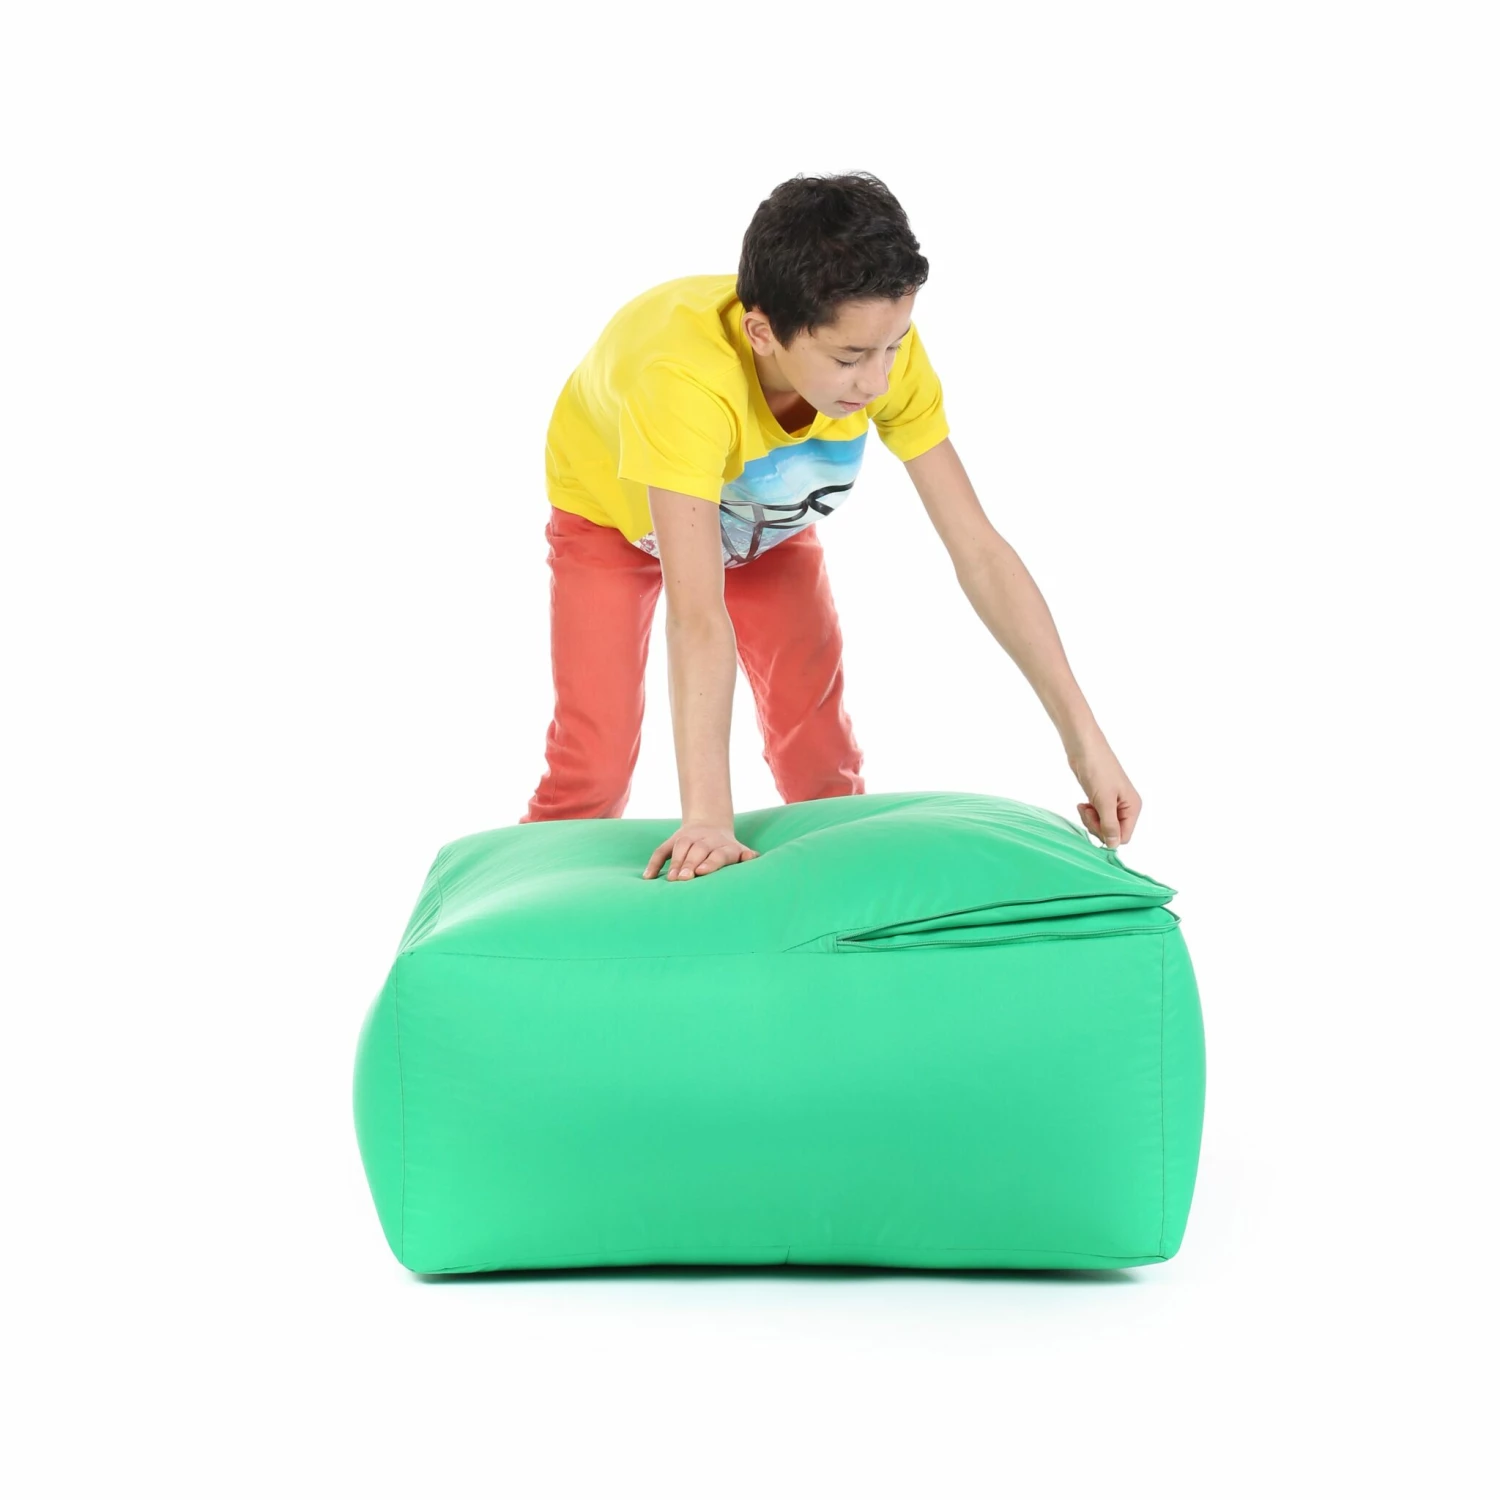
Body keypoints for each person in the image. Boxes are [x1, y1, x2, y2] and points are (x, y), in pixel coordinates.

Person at [521, 170, 1141, 881]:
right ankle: (514, 915)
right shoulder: (682, 383)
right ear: (762, 334)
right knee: (594, 763)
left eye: (893, 347)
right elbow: (697, 616)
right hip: (613, 515)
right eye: (850, 359)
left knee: (820, 755)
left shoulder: (874, 342)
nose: (877, 382)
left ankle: (841, 916)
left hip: (759, 525)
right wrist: (709, 819)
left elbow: (979, 549)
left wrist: (1085, 740)